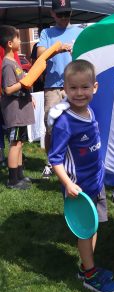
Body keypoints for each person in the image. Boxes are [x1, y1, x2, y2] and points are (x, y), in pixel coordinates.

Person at [48, 60, 114, 292]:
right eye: (74, 88)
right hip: (78, 190)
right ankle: (90, 276)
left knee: (94, 226)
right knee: (86, 231)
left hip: (95, 183)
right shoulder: (65, 122)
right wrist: (68, 184)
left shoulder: (90, 111)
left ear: (94, 87)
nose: (80, 93)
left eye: (85, 87)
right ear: (65, 90)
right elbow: (55, 158)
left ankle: (87, 268)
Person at [37, 0, 83, 179]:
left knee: (77, 125)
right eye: (61, 14)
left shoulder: (79, 32)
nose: (64, 17)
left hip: (75, 86)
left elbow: (87, 55)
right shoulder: (46, 33)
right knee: (50, 126)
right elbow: (40, 54)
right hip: (53, 87)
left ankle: (75, 161)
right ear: (53, 14)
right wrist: (57, 49)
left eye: (67, 13)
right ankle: (51, 163)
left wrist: (75, 51)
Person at [0, 25, 35, 189]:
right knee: (14, 144)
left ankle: (20, 175)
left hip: (21, 110)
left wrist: (29, 97)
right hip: (14, 112)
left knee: (19, 143)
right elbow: (8, 88)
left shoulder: (15, 61)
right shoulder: (7, 64)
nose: (20, 41)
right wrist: (23, 82)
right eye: (17, 38)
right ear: (9, 43)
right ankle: (13, 180)